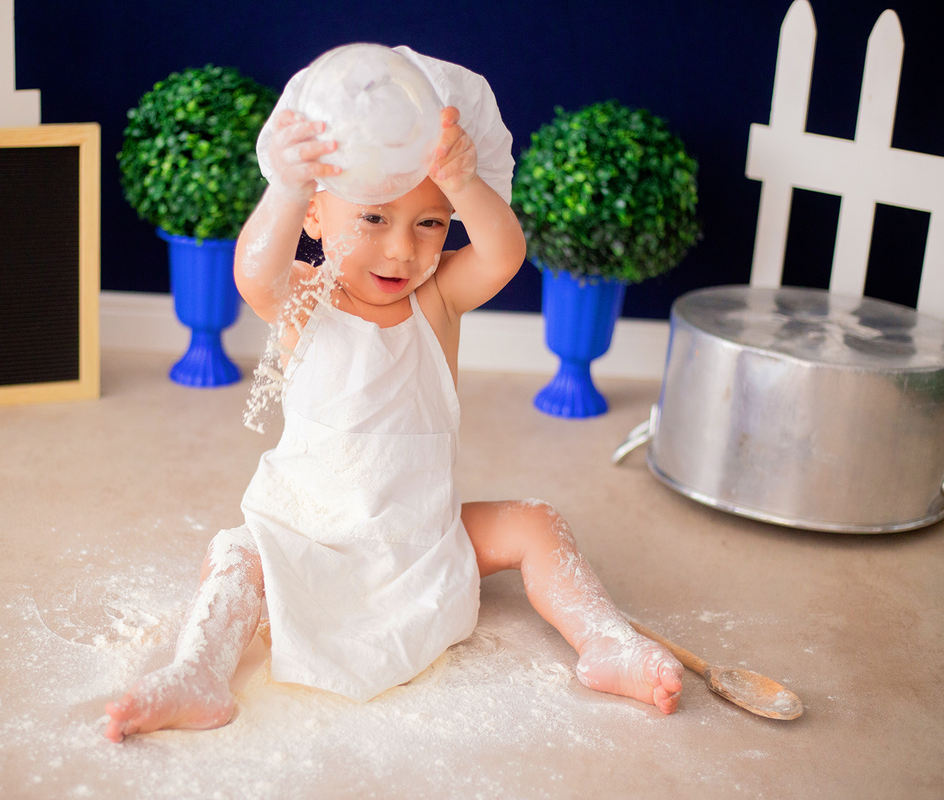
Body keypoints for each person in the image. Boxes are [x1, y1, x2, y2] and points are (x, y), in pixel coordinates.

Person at [105, 48, 681, 743]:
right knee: (235, 554)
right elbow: (254, 273)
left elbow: (503, 255)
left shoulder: (437, 300)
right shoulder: (306, 298)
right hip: (310, 536)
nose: (403, 250)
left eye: (431, 221)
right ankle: (197, 672)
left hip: (421, 542)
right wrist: (285, 186)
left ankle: (608, 643)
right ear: (315, 214)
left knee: (536, 523)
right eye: (374, 218)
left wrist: (464, 182)